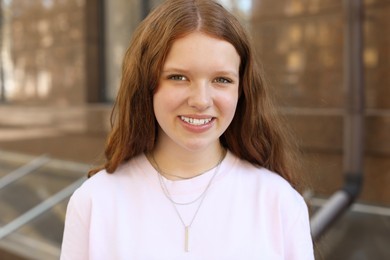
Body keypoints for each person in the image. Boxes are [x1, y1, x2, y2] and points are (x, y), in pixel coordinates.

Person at [60, 0, 314, 259]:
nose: (201, 100)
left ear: (242, 90)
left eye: (222, 80)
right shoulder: (95, 201)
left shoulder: (279, 202)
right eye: (178, 77)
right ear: (146, 83)